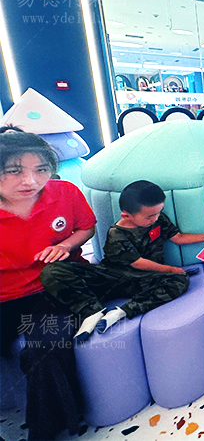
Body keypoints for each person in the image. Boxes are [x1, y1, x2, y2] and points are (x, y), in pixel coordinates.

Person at [0, 126, 97, 440]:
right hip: (5, 295)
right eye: (15, 171)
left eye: (40, 170)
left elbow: (87, 227)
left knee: (46, 349)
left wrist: (66, 245)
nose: (30, 181)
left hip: (53, 286)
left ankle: (44, 432)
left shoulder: (65, 192)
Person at [41, 180, 204, 342]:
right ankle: (91, 311)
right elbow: (137, 262)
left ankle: (121, 312)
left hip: (142, 280)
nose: (155, 219)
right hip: (111, 277)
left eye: (158, 213)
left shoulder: (158, 220)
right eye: (149, 216)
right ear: (126, 216)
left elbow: (179, 238)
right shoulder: (117, 234)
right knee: (52, 272)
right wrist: (170, 269)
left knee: (180, 280)